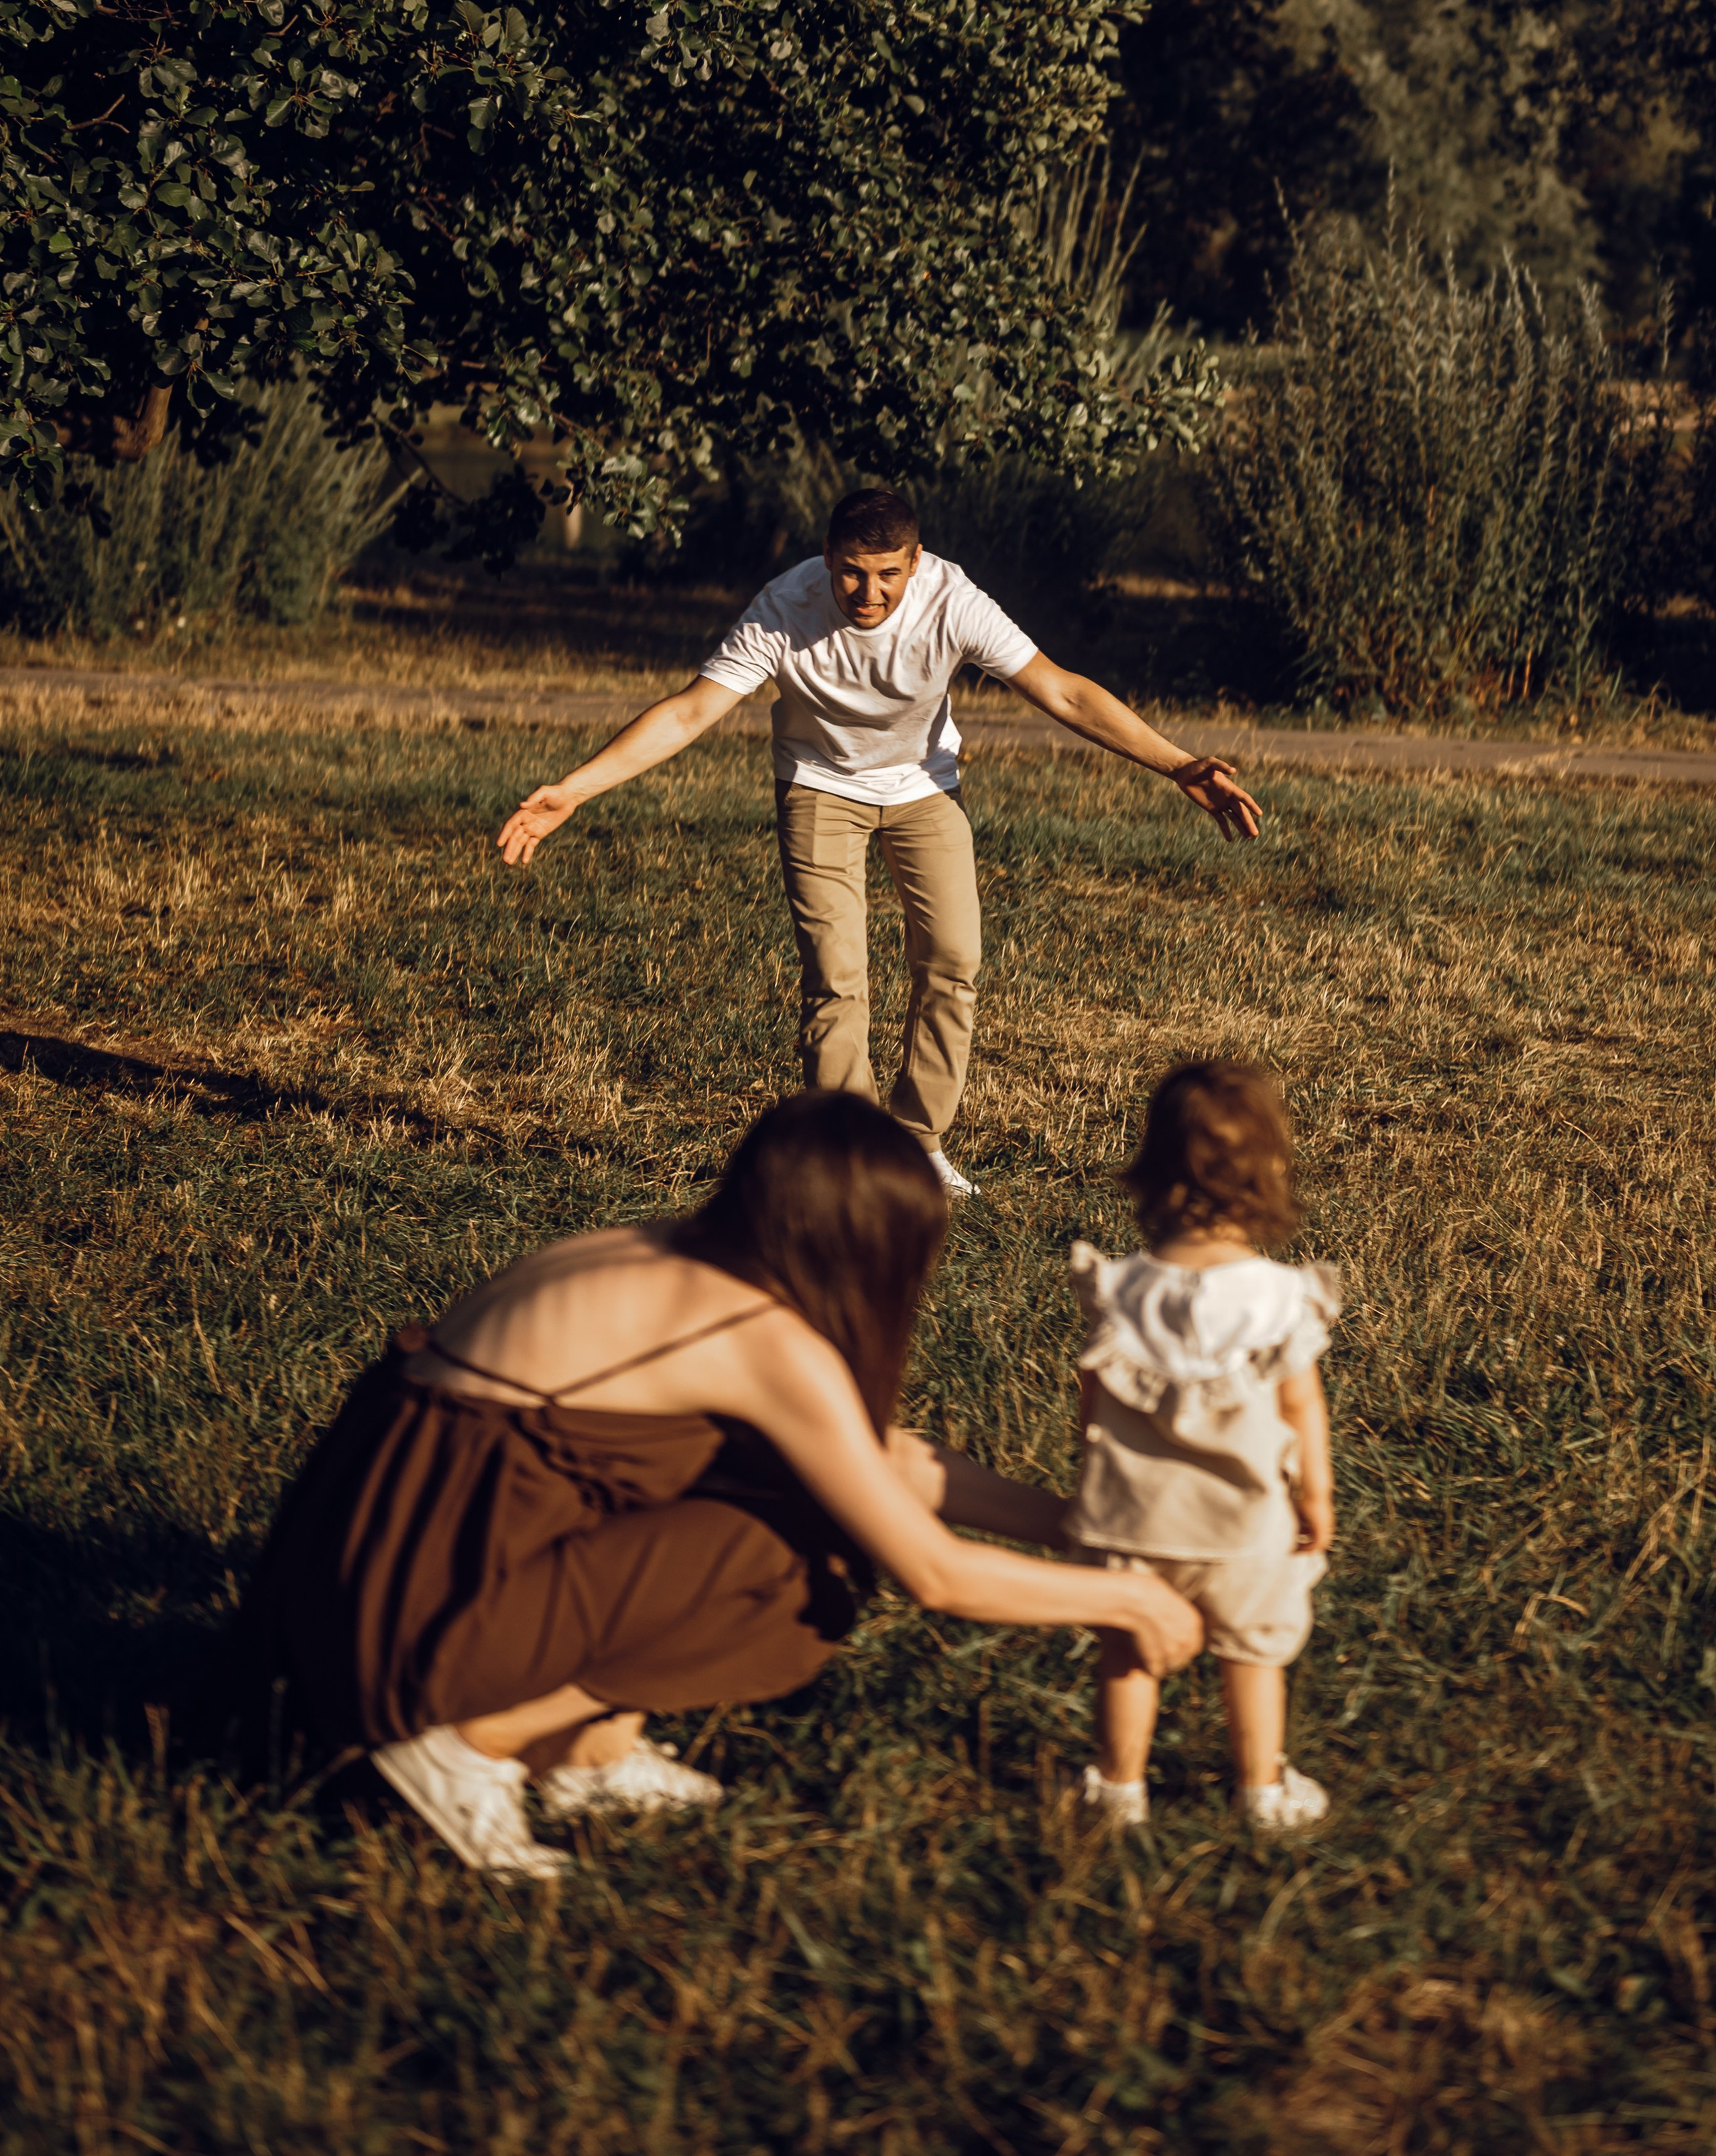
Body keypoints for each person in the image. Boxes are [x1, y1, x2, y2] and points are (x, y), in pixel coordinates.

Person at [221, 1091, 1204, 1882]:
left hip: (356, 1580)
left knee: (801, 1494)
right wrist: (1126, 1594)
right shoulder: (756, 1335)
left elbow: (885, 1458)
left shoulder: (667, 1253)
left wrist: (1084, 1526)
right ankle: (468, 1736)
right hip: (410, 1618)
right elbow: (933, 1570)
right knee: (807, 1559)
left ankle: (587, 1749)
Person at [497, 487, 1262, 1199]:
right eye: (852, 575)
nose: (869, 595)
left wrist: (1178, 765)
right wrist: (576, 788)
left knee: (954, 961)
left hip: (924, 786)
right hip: (820, 787)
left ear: (916, 562)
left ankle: (918, 1142)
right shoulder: (782, 609)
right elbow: (688, 713)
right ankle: (846, 1152)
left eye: (888, 575)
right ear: (827, 558)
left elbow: (1061, 690)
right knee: (837, 977)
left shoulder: (951, 600)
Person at [1065, 1061, 1339, 1834]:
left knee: (1128, 1655)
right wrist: (1314, 1497)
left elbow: (1092, 1402)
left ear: (1149, 1169)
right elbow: (1301, 1405)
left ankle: (1117, 1789)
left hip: (1132, 1521)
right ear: (1268, 1173)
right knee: (1252, 1656)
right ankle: (1261, 1790)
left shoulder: (1119, 1288)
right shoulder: (1279, 1298)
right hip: (1247, 1526)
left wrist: (1091, 1470)